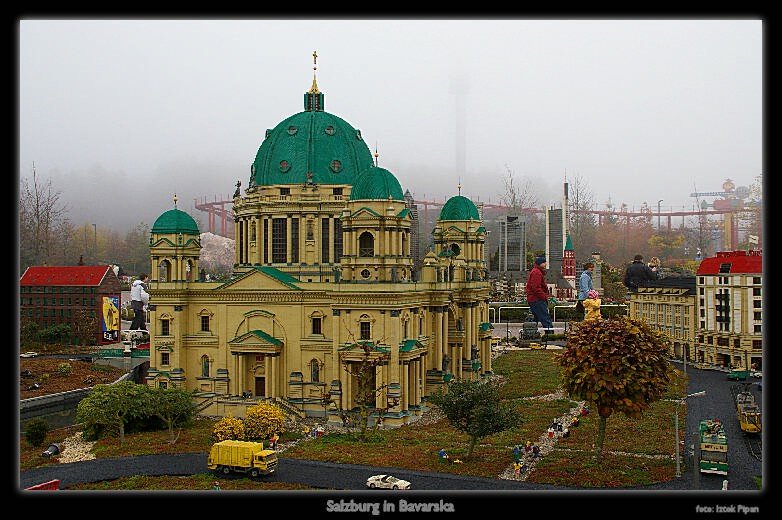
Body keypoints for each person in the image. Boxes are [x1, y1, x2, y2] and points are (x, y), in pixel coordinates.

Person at [526, 256, 554, 335]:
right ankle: (550, 336)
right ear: (540, 263)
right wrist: (544, 296)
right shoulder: (537, 272)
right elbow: (536, 287)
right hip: (537, 299)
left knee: (534, 319)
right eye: (544, 262)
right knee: (545, 318)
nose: (545, 264)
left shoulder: (535, 271)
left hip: (533, 299)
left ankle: (530, 335)